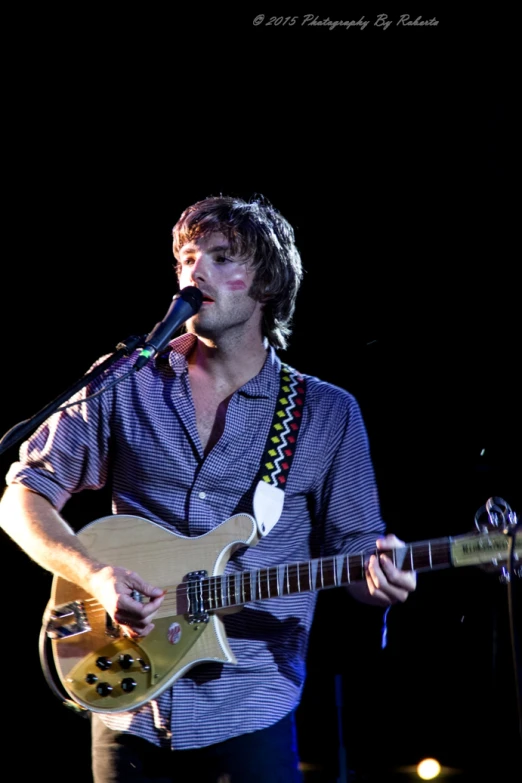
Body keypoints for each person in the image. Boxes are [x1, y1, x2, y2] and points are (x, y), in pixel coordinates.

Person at [0, 194, 417, 782]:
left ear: (267, 285)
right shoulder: (128, 380)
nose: (196, 272)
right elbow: (23, 496)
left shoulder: (327, 413)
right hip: (128, 706)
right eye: (188, 257)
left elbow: (358, 548)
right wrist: (94, 574)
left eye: (222, 258)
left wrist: (381, 580)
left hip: (249, 710)